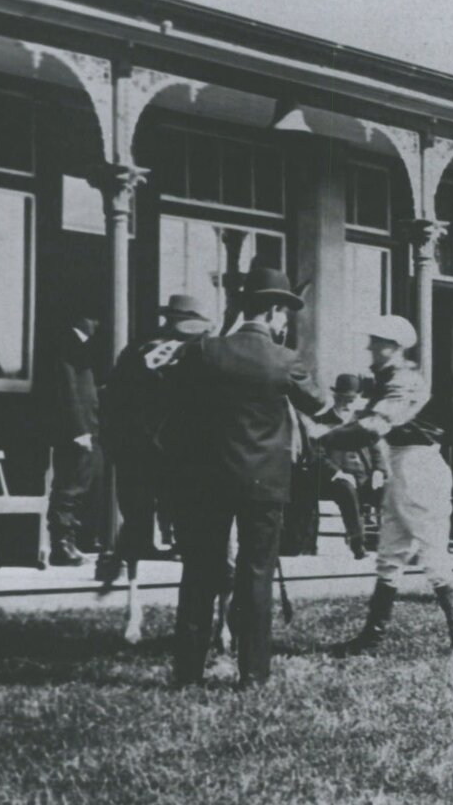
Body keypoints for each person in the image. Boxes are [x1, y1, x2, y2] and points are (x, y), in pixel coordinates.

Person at [158, 268, 332, 688]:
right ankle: (253, 674)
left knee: (199, 572)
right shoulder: (286, 360)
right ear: (272, 312)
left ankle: (187, 673)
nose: (285, 321)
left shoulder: (205, 350)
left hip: (208, 480)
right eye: (284, 313)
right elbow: (320, 404)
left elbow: (174, 401)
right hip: (264, 484)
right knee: (256, 574)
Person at [326, 315, 453, 656]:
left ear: (396, 347)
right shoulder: (386, 379)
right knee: (390, 552)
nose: (371, 348)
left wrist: (322, 438)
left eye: (378, 342)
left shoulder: (404, 381)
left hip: (419, 465)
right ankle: (371, 638)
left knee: (432, 552)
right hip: (401, 463)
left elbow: (374, 426)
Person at [98, 293, 212, 639]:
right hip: (172, 457)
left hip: (147, 455)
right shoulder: (195, 352)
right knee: (184, 536)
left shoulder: (139, 350)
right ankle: (165, 615)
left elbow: (112, 403)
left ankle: (139, 613)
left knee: (142, 531)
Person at [40, 302, 104, 567]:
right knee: (70, 485)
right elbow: (67, 389)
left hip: (86, 426)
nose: (97, 325)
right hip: (76, 430)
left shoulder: (79, 345)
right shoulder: (68, 344)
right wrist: (79, 430)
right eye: (92, 318)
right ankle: (62, 544)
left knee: (80, 482)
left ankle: (72, 540)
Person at [316, 374, 375, 558]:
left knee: (392, 489)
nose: (348, 404)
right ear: (335, 397)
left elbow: (376, 448)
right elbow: (317, 454)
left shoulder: (363, 421)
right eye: (343, 399)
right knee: (347, 489)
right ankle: (358, 542)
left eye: (352, 399)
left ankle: (400, 546)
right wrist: (336, 472)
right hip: (335, 478)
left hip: (364, 475)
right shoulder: (322, 421)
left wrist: (380, 471)